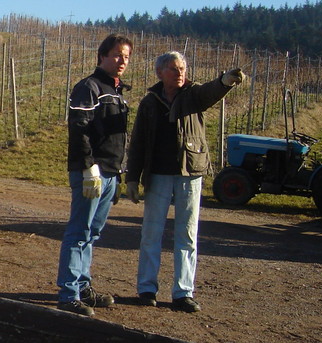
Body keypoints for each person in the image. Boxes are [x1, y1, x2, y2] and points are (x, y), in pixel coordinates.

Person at [125, 53, 244, 312]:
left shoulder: (193, 95)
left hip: (190, 173)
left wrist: (225, 81)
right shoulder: (149, 102)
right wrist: (132, 178)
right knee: (151, 233)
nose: (180, 73)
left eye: (183, 68)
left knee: (187, 235)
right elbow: (138, 142)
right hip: (157, 174)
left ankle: (183, 293)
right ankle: (146, 289)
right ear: (160, 73)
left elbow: (211, 92)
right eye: (173, 69)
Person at [56, 34, 133, 316]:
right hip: (91, 172)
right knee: (79, 232)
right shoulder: (89, 87)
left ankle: (82, 286)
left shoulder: (115, 90)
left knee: (93, 234)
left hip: (110, 174)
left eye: (126, 56)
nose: (122, 60)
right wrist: (89, 167)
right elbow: (79, 128)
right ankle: (68, 294)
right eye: (116, 55)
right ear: (101, 56)